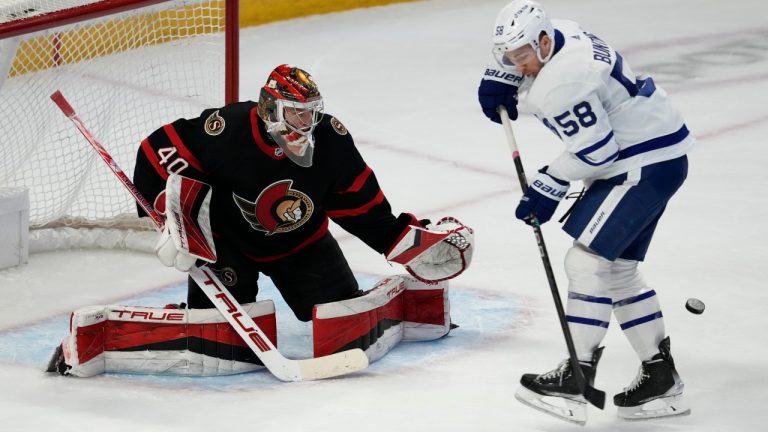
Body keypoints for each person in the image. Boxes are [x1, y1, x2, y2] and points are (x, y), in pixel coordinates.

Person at [45, 64, 474, 378]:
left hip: (303, 246)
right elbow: (159, 152)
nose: (308, 123)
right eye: (297, 113)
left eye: (312, 112)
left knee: (342, 322)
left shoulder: (330, 139)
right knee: (219, 344)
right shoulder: (227, 130)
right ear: (270, 108)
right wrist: (174, 219)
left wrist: (406, 240)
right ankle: (105, 338)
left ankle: (408, 309)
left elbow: (359, 203)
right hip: (227, 246)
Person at [478, 0, 692, 423]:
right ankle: (660, 378)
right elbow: (530, 61)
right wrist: (503, 74)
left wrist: (550, 183)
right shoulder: (561, 30)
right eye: (508, 57)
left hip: (639, 165)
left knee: (587, 263)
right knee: (618, 270)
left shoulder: (562, 82)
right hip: (658, 152)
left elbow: (596, 152)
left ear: (543, 42)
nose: (517, 65)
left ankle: (576, 378)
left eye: (521, 56)